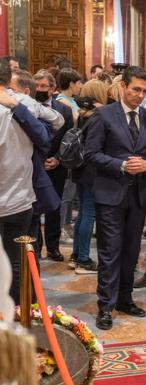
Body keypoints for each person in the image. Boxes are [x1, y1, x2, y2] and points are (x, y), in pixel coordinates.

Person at [84, 66, 146, 330]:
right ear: (123, 87)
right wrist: (121, 165)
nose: (140, 95)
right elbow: (91, 154)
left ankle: (125, 299)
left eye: (144, 91)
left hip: (139, 196)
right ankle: (105, 307)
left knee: (131, 252)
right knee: (110, 252)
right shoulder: (103, 115)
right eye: (135, 90)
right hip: (110, 195)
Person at [0, 58, 50, 304]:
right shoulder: (24, 103)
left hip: (15, 196)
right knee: (17, 262)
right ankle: (21, 318)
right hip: (21, 197)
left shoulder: (16, 105)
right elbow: (45, 135)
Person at [31, 70, 74, 262]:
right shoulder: (29, 108)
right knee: (33, 208)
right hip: (33, 165)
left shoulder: (63, 110)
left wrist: (58, 158)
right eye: (36, 86)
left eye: (43, 86)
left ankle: (53, 247)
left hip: (57, 165)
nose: (39, 90)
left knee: (54, 207)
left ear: (52, 88)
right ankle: (36, 245)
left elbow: (69, 138)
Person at [71, 80, 109, 274]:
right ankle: (84, 260)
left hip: (79, 168)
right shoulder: (100, 114)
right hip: (92, 170)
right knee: (88, 214)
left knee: (81, 215)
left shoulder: (81, 113)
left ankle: (76, 254)